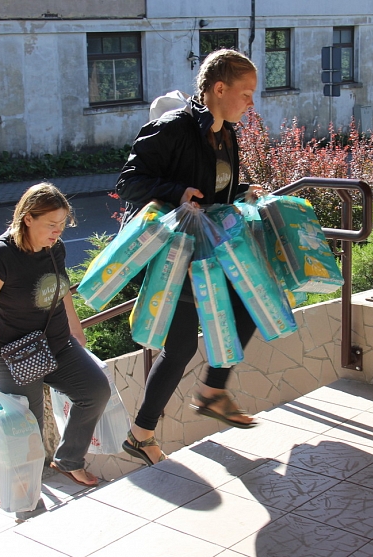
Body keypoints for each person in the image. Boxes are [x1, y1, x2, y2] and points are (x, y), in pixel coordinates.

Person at [116, 49, 262, 466]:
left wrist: (243, 192)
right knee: (180, 347)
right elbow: (129, 182)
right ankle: (169, 417)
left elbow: (214, 192)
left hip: (205, 247)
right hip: (173, 253)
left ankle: (147, 431)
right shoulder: (173, 128)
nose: (251, 102)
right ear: (219, 88)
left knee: (244, 306)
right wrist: (176, 192)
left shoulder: (226, 134)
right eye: (246, 93)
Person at [0, 182, 110, 492]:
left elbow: (61, 289)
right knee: (26, 428)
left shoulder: (54, 247)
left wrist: (75, 327)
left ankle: (69, 460)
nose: (58, 231)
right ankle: (24, 494)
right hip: (13, 352)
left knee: (96, 390)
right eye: (51, 224)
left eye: (62, 224)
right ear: (28, 218)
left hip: (56, 342)